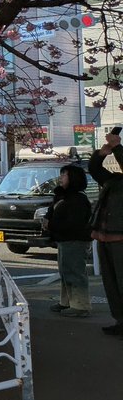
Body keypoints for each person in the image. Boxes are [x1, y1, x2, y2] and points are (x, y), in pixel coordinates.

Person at [45, 165, 93, 317]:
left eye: (64, 175)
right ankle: (67, 302)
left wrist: (50, 224)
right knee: (66, 271)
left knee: (74, 272)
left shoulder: (78, 199)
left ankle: (80, 305)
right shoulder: (65, 196)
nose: (61, 178)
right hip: (65, 240)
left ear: (73, 178)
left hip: (75, 240)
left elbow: (73, 223)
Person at [87, 136, 123, 337]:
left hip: (120, 239)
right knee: (111, 284)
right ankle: (120, 320)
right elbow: (94, 169)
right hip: (105, 238)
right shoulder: (114, 181)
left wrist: (118, 147)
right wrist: (102, 153)